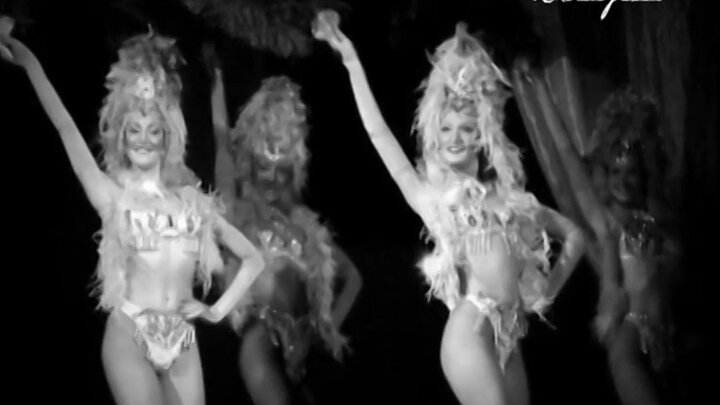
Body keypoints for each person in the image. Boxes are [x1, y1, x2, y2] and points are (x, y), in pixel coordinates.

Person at [313, 12, 585, 405]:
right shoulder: (436, 201)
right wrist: (353, 62)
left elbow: (574, 235)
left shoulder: (513, 202)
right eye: (445, 128)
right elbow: (378, 134)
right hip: (470, 332)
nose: (454, 137)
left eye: (465, 128)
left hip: (510, 338)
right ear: (435, 138)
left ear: (481, 136)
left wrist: (548, 290)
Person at [0, 28, 265, 405]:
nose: (142, 138)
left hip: (182, 339)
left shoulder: (191, 201)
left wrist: (216, 312)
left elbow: (253, 259)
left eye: (153, 131)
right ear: (121, 138)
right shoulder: (111, 196)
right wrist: (30, 64)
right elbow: (64, 126)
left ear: (166, 138)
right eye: (134, 130)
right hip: (129, 333)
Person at [208, 45, 362, 405]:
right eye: (264, 166)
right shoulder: (237, 212)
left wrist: (326, 328)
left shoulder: (303, 226)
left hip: (302, 352)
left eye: (281, 170)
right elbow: (222, 142)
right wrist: (216, 78)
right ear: (251, 164)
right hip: (259, 339)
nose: (272, 178)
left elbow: (354, 278)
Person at [590, 88, 679, 405]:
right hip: (630, 337)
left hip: (668, 338)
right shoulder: (611, 229)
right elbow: (610, 287)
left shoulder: (664, 223)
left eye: (632, 172)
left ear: (646, 174)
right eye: (615, 171)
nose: (622, 181)